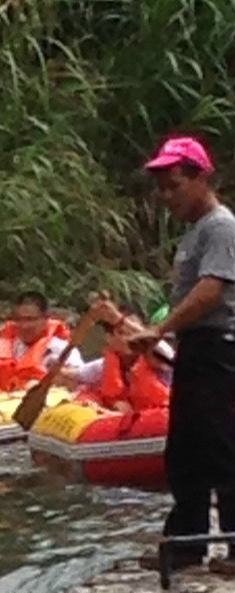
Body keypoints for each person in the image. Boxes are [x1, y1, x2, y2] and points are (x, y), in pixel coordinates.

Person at [127, 137, 235, 568]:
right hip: (196, 348)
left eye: (174, 186)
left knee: (221, 447)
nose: (167, 197)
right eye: (163, 189)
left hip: (218, 349)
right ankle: (187, 544)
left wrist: (159, 330)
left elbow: (210, 290)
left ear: (201, 178)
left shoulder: (221, 227)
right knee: (186, 451)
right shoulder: (195, 232)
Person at [73, 302, 171, 415]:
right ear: (109, 338)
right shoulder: (103, 366)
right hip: (132, 424)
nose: (130, 338)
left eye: (133, 332)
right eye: (122, 333)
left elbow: (154, 341)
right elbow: (71, 375)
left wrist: (119, 319)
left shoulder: (159, 357)